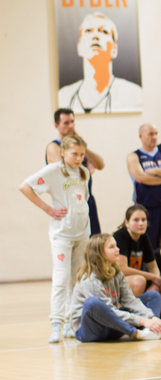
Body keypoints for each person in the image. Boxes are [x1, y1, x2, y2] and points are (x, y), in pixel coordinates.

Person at [20, 135, 91, 343]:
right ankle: (56, 324)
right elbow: (25, 187)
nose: (78, 158)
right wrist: (47, 208)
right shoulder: (53, 171)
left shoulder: (84, 172)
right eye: (74, 154)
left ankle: (70, 322)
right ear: (63, 152)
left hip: (82, 234)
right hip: (62, 235)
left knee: (76, 280)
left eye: (82, 154)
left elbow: (82, 200)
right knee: (61, 279)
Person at [69, 234, 161, 342]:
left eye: (116, 246)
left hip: (112, 325)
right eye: (112, 247)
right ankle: (136, 333)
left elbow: (130, 301)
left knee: (153, 296)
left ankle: (154, 328)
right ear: (99, 253)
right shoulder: (89, 279)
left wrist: (151, 317)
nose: (117, 249)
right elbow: (108, 311)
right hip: (91, 331)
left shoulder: (117, 273)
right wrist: (142, 320)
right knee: (92, 303)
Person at [58, 12, 143, 113]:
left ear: (115, 49)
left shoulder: (133, 94)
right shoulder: (64, 96)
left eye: (103, 31)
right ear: (79, 47)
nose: (95, 36)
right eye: (88, 31)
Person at [46, 108, 104, 235]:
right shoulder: (54, 147)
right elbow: (65, 173)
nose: (70, 126)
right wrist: (85, 170)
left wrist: (80, 143)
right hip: (69, 203)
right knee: (75, 243)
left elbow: (100, 164)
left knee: (94, 241)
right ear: (57, 125)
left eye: (72, 122)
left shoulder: (78, 148)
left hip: (87, 200)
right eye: (66, 123)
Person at [126, 124, 161, 248]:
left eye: (156, 133)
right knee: (148, 244)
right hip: (145, 208)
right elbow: (141, 178)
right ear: (141, 136)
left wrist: (156, 170)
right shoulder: (134, 156)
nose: (154, 137)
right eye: (150, 134)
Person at [113, 205, 161, 297]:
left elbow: (153, 267)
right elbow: (122, 269)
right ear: (127, 223)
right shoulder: (120, 236)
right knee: (139, 281)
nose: (141, 223)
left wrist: (156, 282)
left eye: (143, 220)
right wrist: (153, 277)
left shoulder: (144, 237)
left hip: (133, 279)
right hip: (114, 281)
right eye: (136, 220)